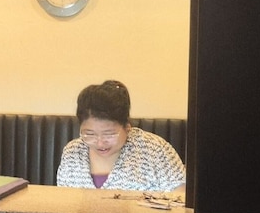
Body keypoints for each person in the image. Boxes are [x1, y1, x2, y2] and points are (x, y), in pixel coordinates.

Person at [56, 80, 185, 192]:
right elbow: (65, 203)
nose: (100, 143)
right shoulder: (73, 152)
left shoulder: (155, 149)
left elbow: (181, 200)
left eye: (109, 134)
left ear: (127, 127)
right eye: (89, 134)